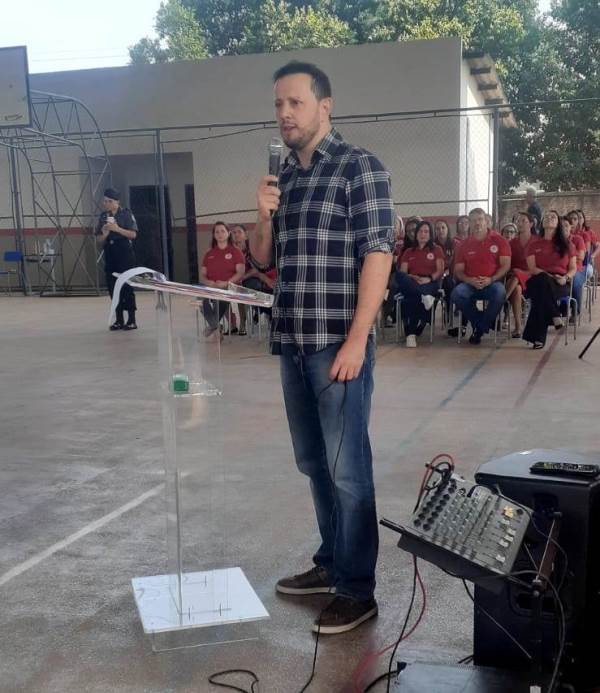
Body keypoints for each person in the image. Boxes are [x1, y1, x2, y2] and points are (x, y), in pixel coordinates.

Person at [250, 61, 394, 635]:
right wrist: (262, 216)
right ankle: (331, 560)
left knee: (348, 470)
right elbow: (264, 260)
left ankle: (357, 590)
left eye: (295, 103)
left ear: (324, 106)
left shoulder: (361, 168)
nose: (284, 114)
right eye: (278, 104)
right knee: (314, 463)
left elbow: (378, 253)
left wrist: (357, 341)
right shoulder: (284, 175)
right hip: (292, 340)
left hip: (337, 345)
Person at [448, 208, 511, 344]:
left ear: (486, 221)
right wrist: (469, 280)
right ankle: (482, 325)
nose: (477, 223)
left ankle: (479, 329)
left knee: (500, 293)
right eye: (473, 221)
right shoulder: (463, 245)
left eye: (480, 219)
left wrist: (491, 279)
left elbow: (506, 265)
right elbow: (459, 270)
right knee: (457, 294)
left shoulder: (499, 240)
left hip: (492, 283)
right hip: (470, 284)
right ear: (469, 224)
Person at [522, 210, 576, 349]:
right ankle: (555, 314)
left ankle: (537, 338)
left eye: (553, 217)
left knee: (540, 297)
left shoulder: (568, 245)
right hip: (537, 279)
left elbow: (573, 268)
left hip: (560, 283)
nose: (549, 218)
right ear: (541, 223)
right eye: (546, 216)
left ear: (558, 223)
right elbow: (532, 268)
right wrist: (550, 276)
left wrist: (565, 278)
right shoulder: (533, 245)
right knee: (542, 280)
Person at [394, 220, 444, 347]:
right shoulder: (408, 251)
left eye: (426, 232)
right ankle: (423, 297)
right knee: (399, 275)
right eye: (420, 231)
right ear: (416, 234)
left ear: (430, 234)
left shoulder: (436, 249)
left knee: (410, 298)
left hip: (430, 282)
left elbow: (440, 271)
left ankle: (410, 335)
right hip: (413, 281)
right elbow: (403, 272)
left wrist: (429, 278)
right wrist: (412, 277)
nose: (423, 234)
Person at [95, 187, 139, 331]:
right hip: (110, 252)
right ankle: (119, 319)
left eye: (109, 201)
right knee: (113, 287)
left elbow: (133, 234)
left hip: (124, 253)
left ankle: (131, 319)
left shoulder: (126, 214)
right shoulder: (103, 216)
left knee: (126, 286)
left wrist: (117, 229)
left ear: (116, 202)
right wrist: (105, 234)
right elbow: (98, 240)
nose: (106, 204)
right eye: (104, 201)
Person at [200, 221, 245, 337]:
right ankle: (215, 325)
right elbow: (203, 275)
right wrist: (208, 282)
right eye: (217, 232)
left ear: (228, 233)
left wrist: (226, 283)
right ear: (214, 235)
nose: (220, 234)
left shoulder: (235, 251)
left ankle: (213, 326)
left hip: (229, 287)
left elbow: (240, 273)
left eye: (222, 231)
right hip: (212, 287)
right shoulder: (209, 253)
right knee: (200, 299)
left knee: (220, 297)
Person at [505, 212, 535, 338]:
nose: (520, 223)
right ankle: (518, 327)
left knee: (517, 274)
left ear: (531, 224)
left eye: (524, 221)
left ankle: (502, 299)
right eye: (518, 221)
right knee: (516, 289)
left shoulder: (536, 242)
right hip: (513, 278)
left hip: (531, 277)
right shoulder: (512, 243)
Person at [562, 216, 586, 316]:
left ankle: (575, 311)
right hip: (561, 269)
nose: (563, 228)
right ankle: (561, 309)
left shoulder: (577, 239)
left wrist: (569, 254)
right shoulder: (555, 240)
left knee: (574, 280)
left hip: (577, 269)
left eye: (566, 225)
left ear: (571, 227)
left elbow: (581, 256)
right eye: (561, 226)